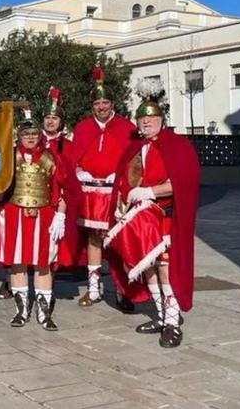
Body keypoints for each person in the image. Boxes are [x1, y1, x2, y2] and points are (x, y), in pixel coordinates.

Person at [104, 77, 199, 348]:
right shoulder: (134, 146)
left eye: (151, 119)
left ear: (161, 119)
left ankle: (172, 322)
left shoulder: (177, 146)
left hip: (165, 216)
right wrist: (121, 204)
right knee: (149, 270)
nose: (146, 123)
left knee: (166, 269)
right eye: (142, 120)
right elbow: (123, 181)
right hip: (138, 218)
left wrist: (150, 192)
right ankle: (162, 315)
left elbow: (182, 183)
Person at [0, 107, 67, 330]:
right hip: (13, 214)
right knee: (18, 263)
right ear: (19, 136)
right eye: (26, 134)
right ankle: (21, 310)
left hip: (44, 215)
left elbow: (62, 188)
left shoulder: (51, 157)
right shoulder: (8, 157)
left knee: (43, 263)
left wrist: (60, 214)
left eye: (34, 134)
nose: (30, 138)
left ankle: (44, 313)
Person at [69, 66, 136, 311]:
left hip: (116, 193)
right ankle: (95, 289)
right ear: (92, 106)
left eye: (105, 102)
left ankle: (123, 290)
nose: (102, 106)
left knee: (119, 241)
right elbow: (74, 159)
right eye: (97, 102)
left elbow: (134, 162)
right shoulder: (83, 128)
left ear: (112, 103)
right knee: (94, 239)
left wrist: (119, 180)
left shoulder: (127, 127)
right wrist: (80, 172)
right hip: (90, 193)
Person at [42, 87, 83, 271]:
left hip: (57, 201)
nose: (51, 121)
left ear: (61, 123)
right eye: (48, 118)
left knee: (54, 245)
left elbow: (72, 178)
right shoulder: (32, 141)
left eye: (55, 118)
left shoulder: (68, 146)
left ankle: (48, 284)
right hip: (34, 199)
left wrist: (61, 211)